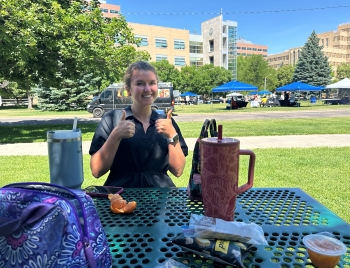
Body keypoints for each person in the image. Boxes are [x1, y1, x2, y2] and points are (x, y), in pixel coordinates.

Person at [89, 61, 188, 188]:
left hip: (161, 198)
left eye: (152, 83)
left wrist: (172, 135)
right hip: (120, 198)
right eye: (140, 83)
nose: (147, 89)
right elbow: (96, 171)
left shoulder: (167, 122)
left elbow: (178, 171)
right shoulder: (111, 120)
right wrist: (115, 135)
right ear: (128, 90)